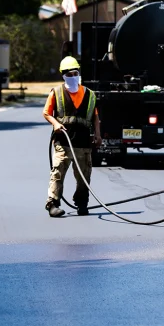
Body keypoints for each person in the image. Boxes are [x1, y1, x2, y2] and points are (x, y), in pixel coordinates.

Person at [43, 55, 101, 218]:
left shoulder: (90, 95)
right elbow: (47, 113)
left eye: (75, 73)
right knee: (58, 172)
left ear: (79, 73)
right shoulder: (57, 92)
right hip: (63, 141)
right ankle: (53, 204)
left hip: (83, 143)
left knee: (84, 175)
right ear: (63, 75)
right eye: (68, 75)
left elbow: (96, 117)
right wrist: (55, 124)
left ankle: (82, 203)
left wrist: (97, 135)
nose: (72, 77)